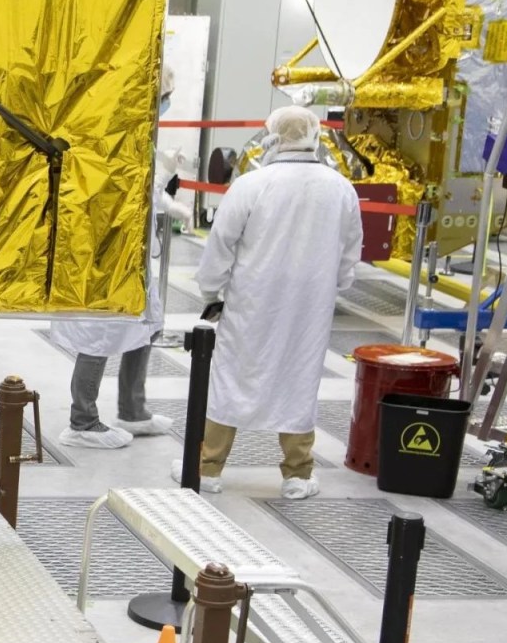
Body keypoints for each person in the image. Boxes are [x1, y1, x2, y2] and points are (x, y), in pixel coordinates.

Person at [183, 104, 361, 500]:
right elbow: (351, 252)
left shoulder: (251, 184)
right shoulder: (339, 188)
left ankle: (207, 468)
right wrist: (336, 286)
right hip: (309, 307)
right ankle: (297, 474)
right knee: (299, 380)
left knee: (231, 378)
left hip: (252, 301)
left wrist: (211, 292)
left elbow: (221, 244)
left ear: (273, 137)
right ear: (315, 137)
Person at [52, 67, 183, 449]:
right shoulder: (111, 132)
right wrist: (161, 179)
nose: (166, 103)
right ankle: (83, 421)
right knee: (100, 331)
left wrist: (166, 198)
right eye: (164, 96)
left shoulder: (138, 132)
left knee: (145, 324)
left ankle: (132, 410)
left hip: (131, 249)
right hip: (104, 250)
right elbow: (122, 192)